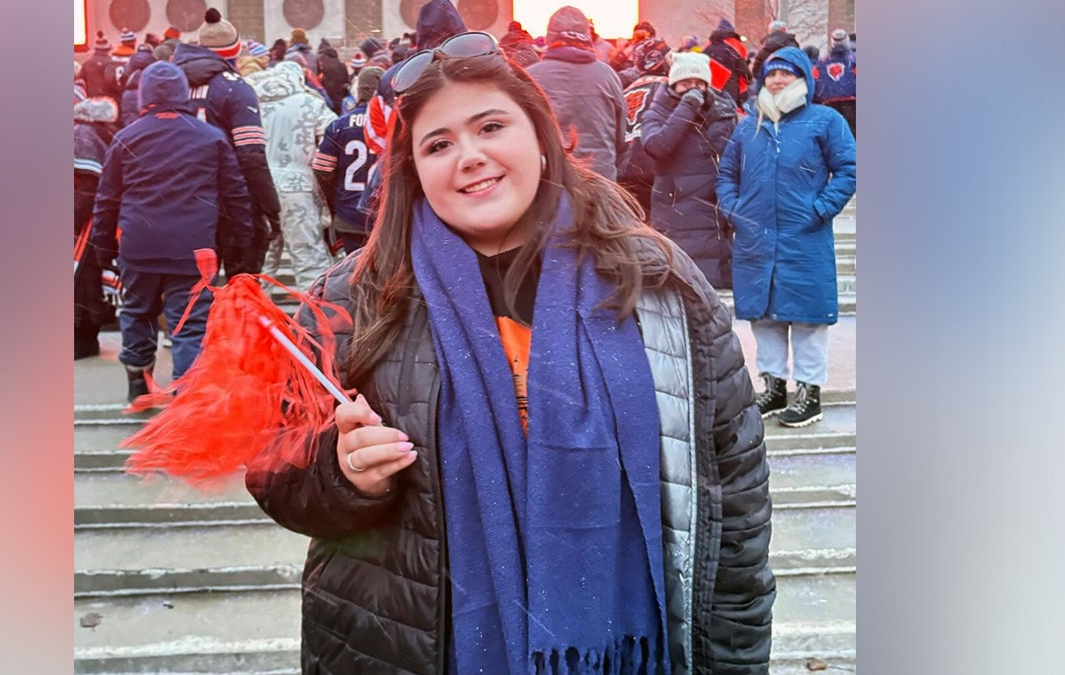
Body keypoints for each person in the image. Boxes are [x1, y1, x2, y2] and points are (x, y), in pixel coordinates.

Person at [247, 30, 774, 674]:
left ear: (541, 135)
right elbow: (276, 473)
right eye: (438, 144)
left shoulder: (659, 283)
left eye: (491, 127)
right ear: (413, 170)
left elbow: (734, 503)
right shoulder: (351, 299)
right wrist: (343, 475)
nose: (469, 157)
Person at [91, 61, 254, 400]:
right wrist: (240, 246)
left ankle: (138, 383)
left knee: (137, 313)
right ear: (183, 94)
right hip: (194, 248)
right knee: (190, 323)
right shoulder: (211, 137)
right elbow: (236, 198)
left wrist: (104, 248)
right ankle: (187, 396)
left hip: (139, 245)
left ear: (144, 95)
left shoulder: (125, 138)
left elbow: (107, 200)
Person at [715, 46, 856, 427]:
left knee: (808, 319)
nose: (777, 80)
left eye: (786, 73)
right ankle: (773, 387)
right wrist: (735, 210)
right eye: (771, 74)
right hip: (756, 239)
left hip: (804, 237)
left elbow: (848, 169)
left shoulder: (824, 120)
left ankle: (810, 393)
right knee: (765, 318)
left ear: (803, 78)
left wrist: (820, 208)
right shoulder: (749, 125)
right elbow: (726, 174)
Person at [172, 8, 283, 278]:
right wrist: (270, 206)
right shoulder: (235, 88)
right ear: (234, 51)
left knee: (191, 288)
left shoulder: (172, 83)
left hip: (182, 197)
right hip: (232, 199)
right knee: (242, 285)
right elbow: (251, 155)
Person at [640, 51, 739, 290]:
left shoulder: (720, 110)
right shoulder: (657, 111)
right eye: (686, 83)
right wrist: (687, 107)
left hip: (712, 212)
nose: (693, 89)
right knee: (682, 281)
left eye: (698, 84)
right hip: (675, 208)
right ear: (674, 84)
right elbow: (657, 146)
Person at [245, 61, 338, 290]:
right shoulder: (309, 103)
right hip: (298, 187)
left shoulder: (251, 103)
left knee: (262, 262)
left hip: (259, 186)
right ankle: (313, 309)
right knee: (309, 258)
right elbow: (334, 135)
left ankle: (254, 310)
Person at [527, 6, 627, 181]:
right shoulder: (607, 75)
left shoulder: (530, 76)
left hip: (550, 180)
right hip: (601, 180)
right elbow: (620, 135)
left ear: (549, 38)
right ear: (587, 37)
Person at [313, 66, 384, 254]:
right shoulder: (396, 124)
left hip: (349, 214)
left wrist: (336, 196)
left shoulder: (338, 125)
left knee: (353, 268)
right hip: (385, 216)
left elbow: (322, 169)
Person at [73, 95, 120, 359]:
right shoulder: (104, 134)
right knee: (90, 282)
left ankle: (80, 341)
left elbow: (86, 186)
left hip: (83, 225)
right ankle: (87, 339)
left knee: (80, 283)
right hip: (100, 220)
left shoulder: (82, 135)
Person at [615, 37, 671, 214]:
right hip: (653, 168)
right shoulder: (669, 88)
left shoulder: (625, 91)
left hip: (623, 169)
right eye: (669, 56)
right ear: (657, 60)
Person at [813, 29, 856, 137]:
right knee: (852, 135)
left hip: (828, 103)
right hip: (851, 103)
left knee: (833, 135)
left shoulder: (821, 63)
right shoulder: (854, 60)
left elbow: (814, 84)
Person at [703, 18, 752, 106]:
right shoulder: (736, 44)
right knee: (728, 106)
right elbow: (742, 66)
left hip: (708, 82)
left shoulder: (709, 44)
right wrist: (749, 78)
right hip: (729, 83)